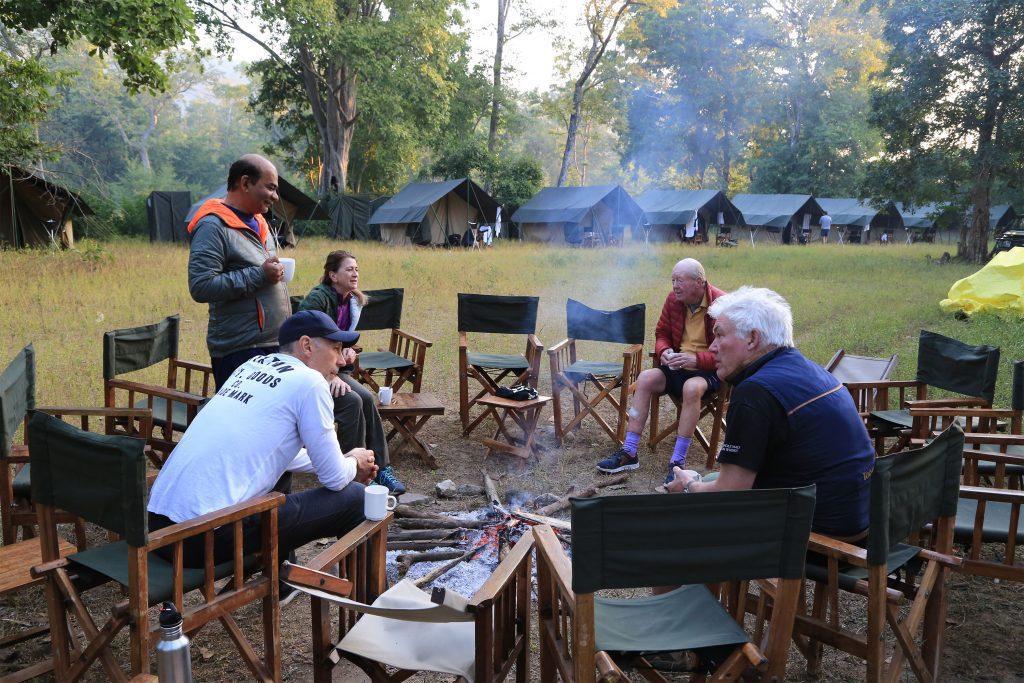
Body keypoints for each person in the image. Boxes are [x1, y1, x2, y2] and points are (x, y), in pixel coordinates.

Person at [148, 310, 378, 568]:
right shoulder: (310, 381)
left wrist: (344, 459)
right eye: (335, 348)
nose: (340, 361)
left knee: (280, 471)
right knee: (357, 499)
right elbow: (335, 479)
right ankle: (372, 604)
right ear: (306, 346)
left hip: (159, 527)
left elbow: (272, 451)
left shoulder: (250, 367)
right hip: (201, 537)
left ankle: (283, 579)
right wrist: (354, 465)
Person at [665, 287, 874, 538]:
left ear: (753, 339)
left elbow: (730, 493)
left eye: (719, 335)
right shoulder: (814, 371)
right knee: (710, 478)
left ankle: (697, 576)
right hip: (859, 519)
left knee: (684, 513)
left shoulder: (755, 391)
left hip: (817, 537)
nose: (712, 347)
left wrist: (687, 486)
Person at [597, 258, 725, 485]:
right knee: (645, 378)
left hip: (709, 371)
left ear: (699, 282)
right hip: (677, 365)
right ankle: (629, 452)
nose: (675, 285)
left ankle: (677, 462)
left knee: (691, 387)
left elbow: (727, 351)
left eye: (680, 280)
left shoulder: (722, 305)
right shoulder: (674, 300)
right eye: (673, 279)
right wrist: (664, 351)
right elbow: (662, 333)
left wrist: (696, 358)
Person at [299, 250, 406, 495]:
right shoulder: (318, 300)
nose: (355, 273)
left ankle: (380, 469)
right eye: (349, 269)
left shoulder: (352, 301)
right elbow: (305, 344)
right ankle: (352, 474)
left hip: (333, 369)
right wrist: (330, 375)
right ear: (332, 275)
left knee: (367, 399)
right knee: (351, 402)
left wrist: (347, 350)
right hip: (309, 374)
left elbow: (336, 341)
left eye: (356, 269)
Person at [187, 154, 291, 389]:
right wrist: (260, 275)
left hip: (272, 343)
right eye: (270, 188)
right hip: (240, 350)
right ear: (245, 183)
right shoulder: (213, 227)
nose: (275, 196)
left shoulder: (260, 222)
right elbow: (201, 286)